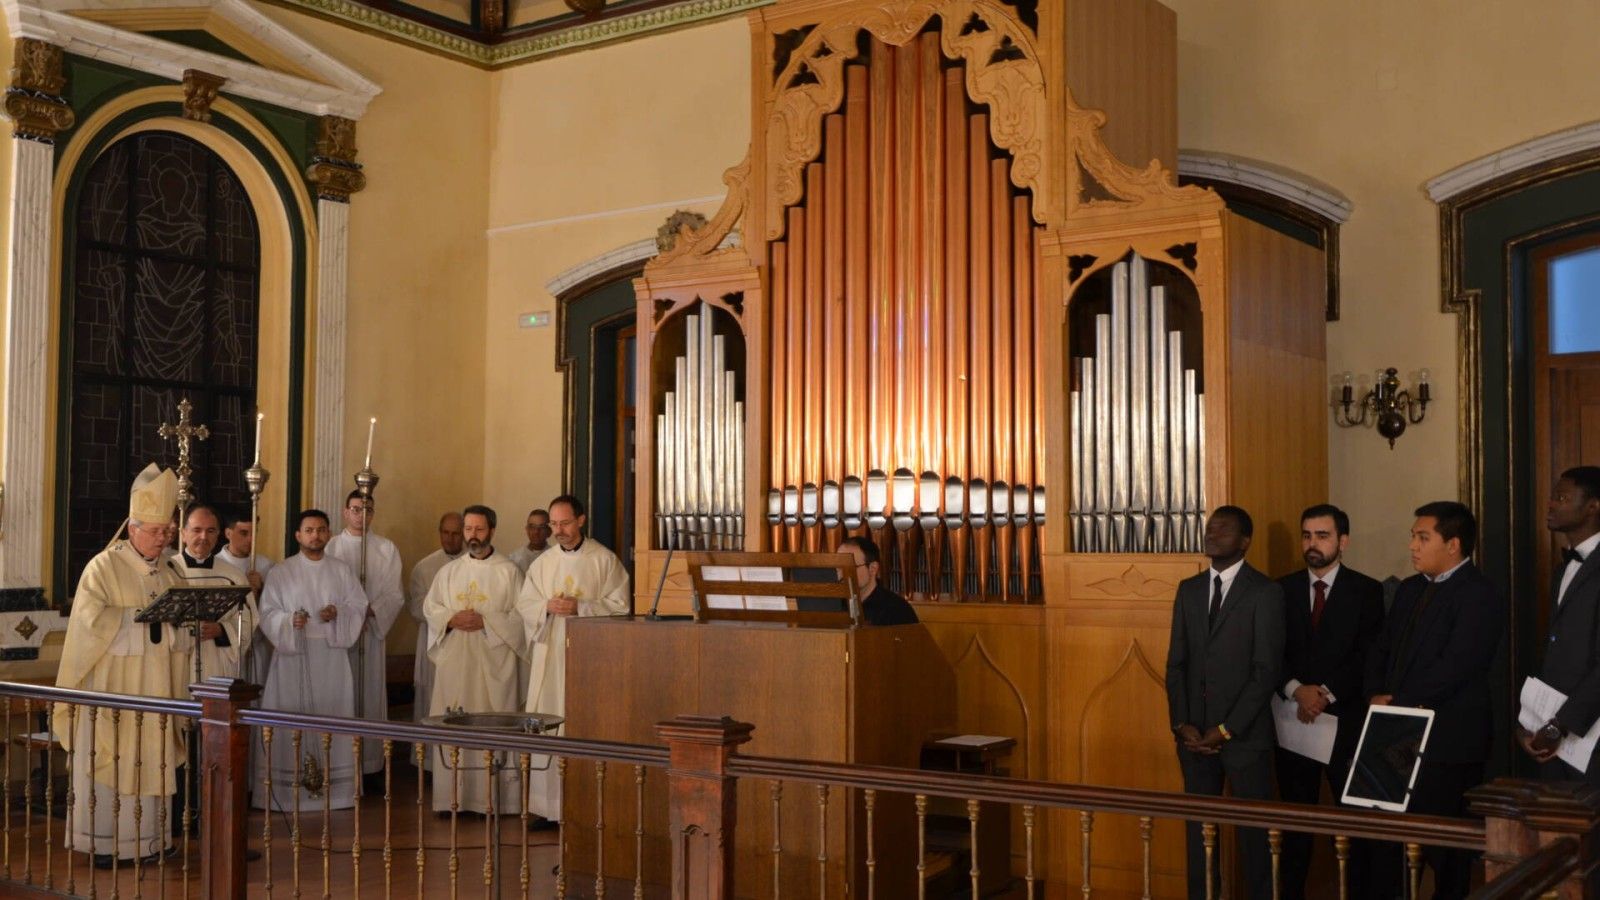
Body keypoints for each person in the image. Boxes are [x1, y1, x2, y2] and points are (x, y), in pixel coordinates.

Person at [1365, 501, 1504, 900]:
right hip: (1395, 734)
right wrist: (1374, 692)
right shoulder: (1410, 589)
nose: (1412, 545)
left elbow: (1459, 665)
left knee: (1446, 850)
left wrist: (1399, 699)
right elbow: (1382, 647)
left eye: (1422, 537)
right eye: (1413, 536)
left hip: (1449, 741)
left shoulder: (1480, 593)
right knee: (1391, 842)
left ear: (1454, 544)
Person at [54, 463, 189, 867]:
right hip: (113, 690)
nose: (164, 539)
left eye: (168, 531)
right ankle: (105, 844)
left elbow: (178, 627)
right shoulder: (102, 567)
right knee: (113, 759)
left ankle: (152, 841)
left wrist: (181, 623)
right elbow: (89, 624)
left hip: (156, 688)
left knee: (152, 756)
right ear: (132, 528)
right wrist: (142, 617)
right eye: (156, 531)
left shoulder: (171, 571)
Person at [1164, 505, 1283, 900]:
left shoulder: (1265, 592)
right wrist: (1182, 723)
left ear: (1244, 541)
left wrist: (1227, 728)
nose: (1212, 534)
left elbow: (1265, 671)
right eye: (1210, 527)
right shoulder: (1189, 589)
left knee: (1255, 841)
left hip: (1244, 739)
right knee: (1200, 840)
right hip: (1194, 739)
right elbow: (1176, 664)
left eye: (1223, 529)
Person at [1274, 504, 1384, 900]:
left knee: (1353, 825)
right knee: (1295, 825)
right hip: (1292, 723)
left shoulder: (1367, 591)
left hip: (1344, 722)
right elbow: (1270, 652)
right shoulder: (1280, 589)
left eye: (1322, 535)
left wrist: (1324, 693)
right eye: (1306, 535)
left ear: (1343, 541)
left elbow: (1369, 655)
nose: (1312, 544)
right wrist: (1295, 689)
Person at [519, 494, 630, 822]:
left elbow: (621, 607)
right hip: (550, 655)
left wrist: (581, 608)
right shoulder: (543, 563)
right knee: (548, 721)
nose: (558, 530)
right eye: (554, 524)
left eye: (564, 523)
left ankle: (583, 810)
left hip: (588, 661)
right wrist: (545, 608)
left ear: (581, 520)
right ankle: (544, 807)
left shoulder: (604, 560)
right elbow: (525, 604)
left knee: (581, 724)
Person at [254, 510, 368, 811]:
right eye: (309, 530)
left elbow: (359, 605)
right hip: (293, 656)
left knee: (333, 716)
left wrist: (338, 613)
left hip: (331, 657)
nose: (315, 535)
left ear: (328, 534)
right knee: (290, 717)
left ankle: (337, 792)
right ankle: (286, 794)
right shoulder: (281, 571)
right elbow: (266, 613)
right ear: (298, 535)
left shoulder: (341, 570)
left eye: (320, 530)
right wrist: (290, 620)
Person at [424, 505, 526, 812]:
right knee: (455, 721)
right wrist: (451, 618)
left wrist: (487, 622)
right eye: (468, 529)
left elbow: (522, 617)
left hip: (493, 662)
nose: (472, 535)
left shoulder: (508, 571)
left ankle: (492, 802)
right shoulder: (449, 572)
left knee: (490, 722)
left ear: (492, 531)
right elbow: (431, 608)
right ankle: (451, 799)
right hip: (456, 661)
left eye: (479, 529)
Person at [1522, 466, 1600, 782]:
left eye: (1562, 497)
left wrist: (1560, 724)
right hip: (1556, 741)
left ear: (1594, 506)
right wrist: (1533, 723)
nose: (1551, 504)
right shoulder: (1564, 566)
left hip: (1589, 738)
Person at [326, 489, 404, 780]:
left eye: (367, 510)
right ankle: (341, 765)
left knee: (369, 693)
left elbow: (395, 594)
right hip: (339, 635)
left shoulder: (386, 549)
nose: (361, 515)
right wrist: (349, 613)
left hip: (371, 632)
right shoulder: (332, 547)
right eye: (356, 509)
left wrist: (368, 611)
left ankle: (370, 767)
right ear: (346, 512)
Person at [171, 502, 257, 683]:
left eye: (210, 531)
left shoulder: (232, 575)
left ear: (219, 535)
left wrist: (222, 630)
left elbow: (250, 620)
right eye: (196, 530)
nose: (203, 537)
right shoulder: (167, 571)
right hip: (178, 662)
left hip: (218, 662)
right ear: (183, 533)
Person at [408, 512, 465, 724]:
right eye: (445, 533)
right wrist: (448, 618)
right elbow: (416, 607)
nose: (450, 539)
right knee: (433, 699)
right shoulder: (424, 567)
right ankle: (430, 756)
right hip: (434, 641)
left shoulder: (475, 565)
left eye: (456, 533)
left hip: (466, 644)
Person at [219, 506, 275, 683]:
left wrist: (261, 590)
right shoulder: (216, 565)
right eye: (243, 533)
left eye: (254, 533)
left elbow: (274, 607)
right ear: (228, 533)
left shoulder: (266, 565)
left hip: (258, 645)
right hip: (227, 645)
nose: (250, 539)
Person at [838, 535, 918, 625]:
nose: (841, 574)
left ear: (873, 568)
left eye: (850, 567)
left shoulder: (897, 610)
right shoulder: (833, 605)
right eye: (839, 566)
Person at [507, 508, 551, 574]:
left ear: (549, 531)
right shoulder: (514, 559)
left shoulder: (556, 557)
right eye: (532, 527)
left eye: (541, 527)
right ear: (527, 530)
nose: (536, 531)